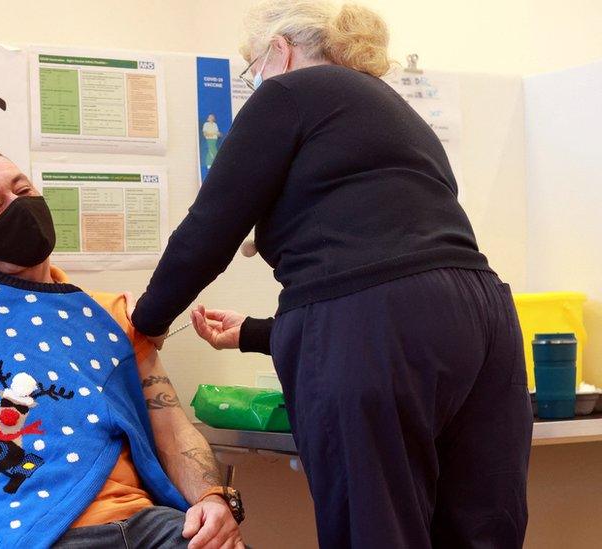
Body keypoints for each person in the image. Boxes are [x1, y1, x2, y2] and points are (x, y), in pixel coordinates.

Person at [130, 1, 533, 547]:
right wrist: (254, 333)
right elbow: (406, 280)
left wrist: (147, 323)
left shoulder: (290, 92)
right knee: (481, 529)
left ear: (281, 50)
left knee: (376, 531)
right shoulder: (396, 110)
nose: (257, 85)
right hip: (483, 316)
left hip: (379, 321)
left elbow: (210, 228)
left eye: (253, 71)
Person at [0, 149, 245, 549]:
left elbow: (172, 428)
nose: (20, 206)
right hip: (37, 530)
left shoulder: (109, 317)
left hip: (151, 524)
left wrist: (213, 500)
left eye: (23, 189)